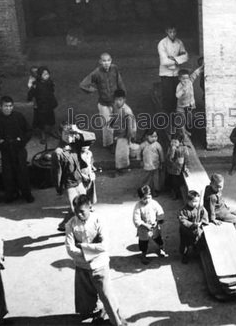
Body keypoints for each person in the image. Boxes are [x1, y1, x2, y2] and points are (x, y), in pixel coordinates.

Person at [65, 195, 126, 325]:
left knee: (106, 295)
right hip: (82, 266)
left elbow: (104, 246)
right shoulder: (70, 224)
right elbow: (70, 250)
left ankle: (117, 322)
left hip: (100, 266)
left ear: (90, 208)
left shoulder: (99, 220)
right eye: (76, 212)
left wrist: (81, 246)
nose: (79, 215)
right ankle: (96, 313)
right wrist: (93, 249)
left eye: (82, 211)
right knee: (86, 294)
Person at [0, 96, 34, 203]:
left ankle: (27, 194)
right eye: (5, 106)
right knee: (8, 174)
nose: (8, 109)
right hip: (6, 151)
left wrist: (21, 140)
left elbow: (28, 131)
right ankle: (11, 195)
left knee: (22, 172)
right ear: (0, 107)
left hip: (19, 150)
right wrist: (0, 144)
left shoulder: (19, 116)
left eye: (10, 106)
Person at [53, 124, 97, 231]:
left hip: (79, 180)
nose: (68, 137)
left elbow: (92, 138)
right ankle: (72, 228)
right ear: (61, 134)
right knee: (75, 208)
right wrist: (59, 189)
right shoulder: (58, 152)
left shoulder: (75, 144)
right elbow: (57, 173)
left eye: (71, 134)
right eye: (66, 134)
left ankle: (64, 225)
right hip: (69, 183)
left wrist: (78, 131)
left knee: (82, 204)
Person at [79, 53, 126, 149]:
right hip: (104, 104)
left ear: (111, 60)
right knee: (107, 125)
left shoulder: (114, 69)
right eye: (104, 61)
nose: (106, 63)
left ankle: (118, 140)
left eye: (108, 60)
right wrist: (91, 90)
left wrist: (122, 97)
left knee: (117, 121)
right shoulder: (96, 72)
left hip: (115, 102)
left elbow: (120, 82)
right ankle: (109, 144)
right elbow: (83, 84)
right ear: (100, 62)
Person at [133, 185, 167, 265]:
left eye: (148, 197)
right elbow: (136, 219)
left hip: (154, 227)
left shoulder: (154, 203)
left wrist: (157, 221)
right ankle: (143, 255)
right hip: (143, 229)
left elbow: (160, 212)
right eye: (144, 198)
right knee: (143, 243)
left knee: (158, 239)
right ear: (140, 198)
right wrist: (145, 225)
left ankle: (161, 248)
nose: (147, 200)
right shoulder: (138, 206)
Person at [158, 25, 188, 113]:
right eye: (170, 32)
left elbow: (186, 56)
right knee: (168, 97)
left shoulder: (179, 42)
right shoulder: (162, 43)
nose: (172, 34)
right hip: (166, 74)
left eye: (174, 32)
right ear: (166, 31)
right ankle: (167, 117)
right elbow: (164, 61)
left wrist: (173, 59)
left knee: (177, 95)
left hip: (177, 73)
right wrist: (178, 59)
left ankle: (176, 116)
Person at [27, 66, 58, 145]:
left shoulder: (49, 82)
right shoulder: (36, 84)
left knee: (51, 119)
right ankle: (43, 135)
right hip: (41, 106)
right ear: (40, 75)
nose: (46, 76)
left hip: (49, 105)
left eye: (47, 74)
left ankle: (52, 131)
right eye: (44, 74)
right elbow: (30, 95)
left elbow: (52, 91)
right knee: (42, 122)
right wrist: (31, 95)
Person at [178, 190, 208, 264]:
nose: (196, 203)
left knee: (197, 242)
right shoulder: (184, 210)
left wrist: (201, 222)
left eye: (197, 201)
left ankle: (196, 253)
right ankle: (185, 256)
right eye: (194, 201)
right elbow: (183, 221)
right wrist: (192, 224)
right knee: (185, 245)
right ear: (188, 201)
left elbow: (204, 215)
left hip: (196, 230)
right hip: (186, 231)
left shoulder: (200, 207)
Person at [111, 90, 136, 172]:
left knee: (121, 153)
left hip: (125, 134)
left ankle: (122, 168)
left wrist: (129, 137)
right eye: (116, 100)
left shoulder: (127, 111)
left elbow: (130, 126)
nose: (117, 102)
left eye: (120, 100)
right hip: (118, 132)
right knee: (120, 150)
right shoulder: (115, 106)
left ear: (124, 100)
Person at [175, 66, 203, 134]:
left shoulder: (189, 82)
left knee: (188, 119)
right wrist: (182, 90)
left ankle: (185, 130)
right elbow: (177, 95)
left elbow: (195, 74)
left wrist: (201, 67)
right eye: (183, 78)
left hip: (189, 105)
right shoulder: (179, 86)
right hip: (181, 106)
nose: (185, 80)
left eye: (187, 78)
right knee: (182, 119)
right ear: (179, 78)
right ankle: (183, 132)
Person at [139, 129, 164, 196]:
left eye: (155, 137)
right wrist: (140, 160)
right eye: (152, 137)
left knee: (155, 178)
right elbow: (138, 153)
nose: (154, 138)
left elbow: (161, 153)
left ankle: (155, 190)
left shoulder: (157, 145)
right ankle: (145, 190)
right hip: (147, 165)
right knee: (146, 178)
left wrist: (162, 162)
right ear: (147, 136)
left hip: (155, 165)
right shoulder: (143, 145)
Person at [166, 132, 189, 200]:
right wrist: (172, 151)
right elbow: (168, 158)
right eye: (172, 141)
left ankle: (178, 194)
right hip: (171, 168)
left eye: (175, 142)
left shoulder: (184, 149)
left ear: (180, 142)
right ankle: (174, 193)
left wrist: (186, 167)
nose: (173, 143)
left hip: (179, 169)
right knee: (173, 181)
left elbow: (186, 159)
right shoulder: (170, 148)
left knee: (178, 182)